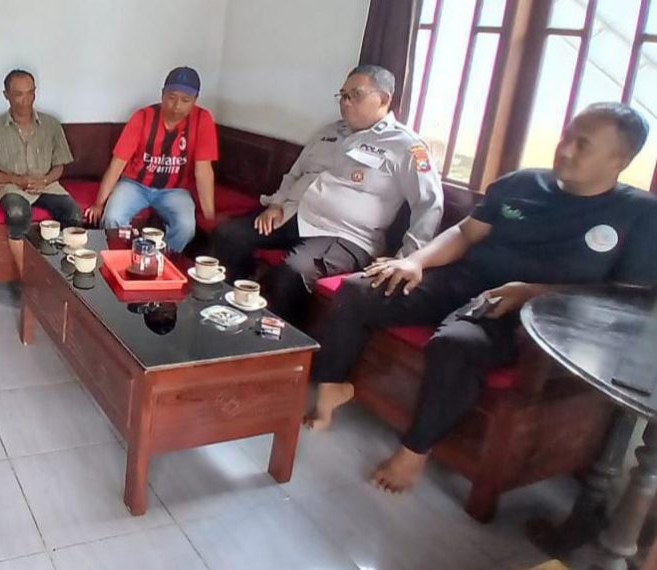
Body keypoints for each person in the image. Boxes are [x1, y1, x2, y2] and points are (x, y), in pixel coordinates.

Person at [307, 103, 657, 493]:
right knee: (360, 289)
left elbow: (626, 299)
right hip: (462, 280)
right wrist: (416, 261)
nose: (566, 150)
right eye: (567, 137)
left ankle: (414, 450)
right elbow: (464, 233)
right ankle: (332, 383)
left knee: (456, 345)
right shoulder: (522, 183)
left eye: (583, 145)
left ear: (620, 160)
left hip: (532, 319)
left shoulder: (640, 215)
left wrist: (534, 293)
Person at [210, 65, 444, 326]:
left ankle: (279, 341)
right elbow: (295, 173)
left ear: (384, 99)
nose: (345, 102)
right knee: (229, 235)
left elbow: (429, 205)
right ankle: (228, 311)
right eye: (342, 95)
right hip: (294, 215)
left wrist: (409, 258)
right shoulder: (329, 132)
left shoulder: (406, 147)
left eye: (355, 95)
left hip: (344, 235)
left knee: (291, 274)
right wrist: (276, 204)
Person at [85, 66, 218, 252]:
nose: (177, 106)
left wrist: (210, 217)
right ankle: (119, 260)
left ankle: (163, 259)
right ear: (162, 94)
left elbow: (203, 171)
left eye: (185, 100)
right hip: (135, 185)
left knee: (186, 227)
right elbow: (118, 163)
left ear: (195, 100)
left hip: (175, 189)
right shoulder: (142, 117)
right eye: (171, 98)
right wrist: (99, 203)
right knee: (112, 218)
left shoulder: (202, 119)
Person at [0, 69, 81, 269]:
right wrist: (17, 180)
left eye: (30, 93)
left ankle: (63, 272)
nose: (26, 101)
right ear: (6, 95)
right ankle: (24, 274)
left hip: (47, 185)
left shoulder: (51, 125)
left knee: (73, 214)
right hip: (11, 186)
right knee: (16, 212)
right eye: (18, 94)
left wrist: (46, 180)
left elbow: (59, 165)